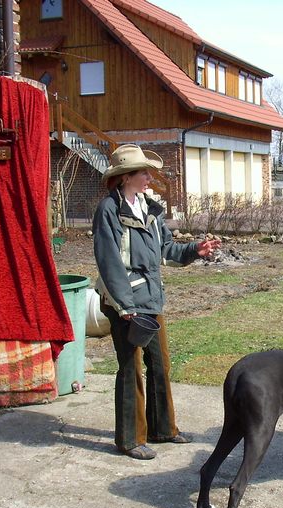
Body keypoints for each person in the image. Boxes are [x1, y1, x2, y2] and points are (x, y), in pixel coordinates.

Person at [93, 144, 221, 460]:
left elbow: (166, 250)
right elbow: (109, 262)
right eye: (144, 172)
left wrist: (195, 250)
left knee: (160, 364)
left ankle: (162, 429)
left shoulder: (148, 208)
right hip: (124, 303)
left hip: (151, 300)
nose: (150, 177)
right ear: (125, 177)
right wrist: (124, 306)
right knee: (131, 368)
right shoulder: (108, 210)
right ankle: (129, 439)